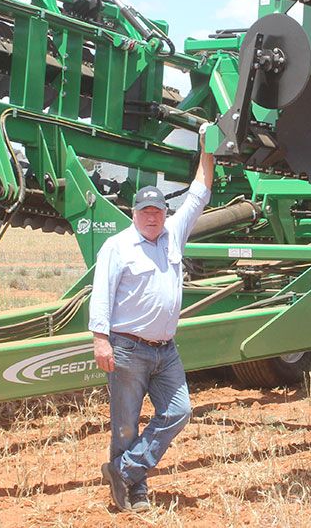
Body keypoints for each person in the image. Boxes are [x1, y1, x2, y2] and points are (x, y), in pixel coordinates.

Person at [88, 128, 215, 512]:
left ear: (164, 214)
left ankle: (123, 470)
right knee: (125, 425)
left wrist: (208, 150)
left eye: (157, 211)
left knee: (178, 412)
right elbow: (101, 293)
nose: (152, 217)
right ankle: (134, 489)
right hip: (127, 349)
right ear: (134, 214)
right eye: (145, 211)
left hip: (166, 351)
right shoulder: (118, 246)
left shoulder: (173, 236)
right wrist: (100, 339)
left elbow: (199, 193)